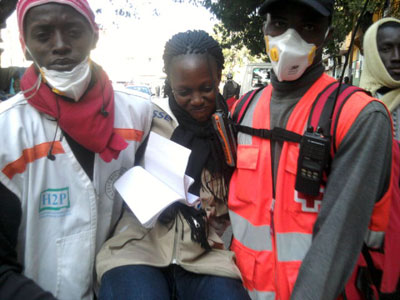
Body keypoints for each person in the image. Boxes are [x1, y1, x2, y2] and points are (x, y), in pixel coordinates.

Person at [228, 1, 393, 300]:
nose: (290, 39)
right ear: (264, 28)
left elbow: (338, 238)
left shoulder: (359, 116)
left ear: (327, 35)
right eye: (279, 23)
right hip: (241, 289)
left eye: (308, 27)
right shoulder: (243, 110)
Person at [0, 0, 152, 299]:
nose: (60, 46)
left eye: (73, 31)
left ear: (95, 35)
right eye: (43, 35)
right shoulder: (6, 132)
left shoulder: (139, 114)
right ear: (25, 45)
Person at [96, 30, 250, 300]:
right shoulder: (147, 121)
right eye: (184, 91)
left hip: (204, 255)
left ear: (218, 78)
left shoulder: (229, 133)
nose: (197, 99)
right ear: (170, 83)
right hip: (137, 248)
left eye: (206, 88)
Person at [355, 17, 400, 298]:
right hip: (363, 251)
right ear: (371, 52)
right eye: (386, 48)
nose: (396, 57)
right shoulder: (353, 108)